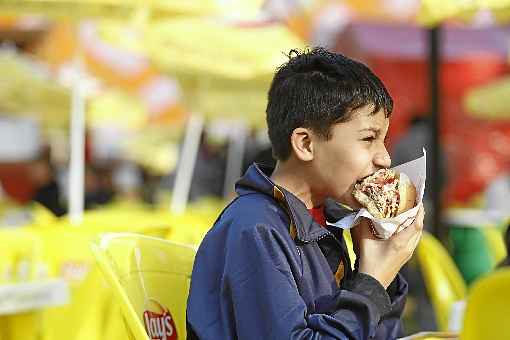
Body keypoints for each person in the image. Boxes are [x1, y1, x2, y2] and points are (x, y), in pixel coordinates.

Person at [186, 48, 425, 340]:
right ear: (306, 144)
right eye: (368, 139)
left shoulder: (330, 223)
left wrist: (376, 268)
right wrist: (371, 283)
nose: (385, 158)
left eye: (383, 140)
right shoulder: (254, 229)